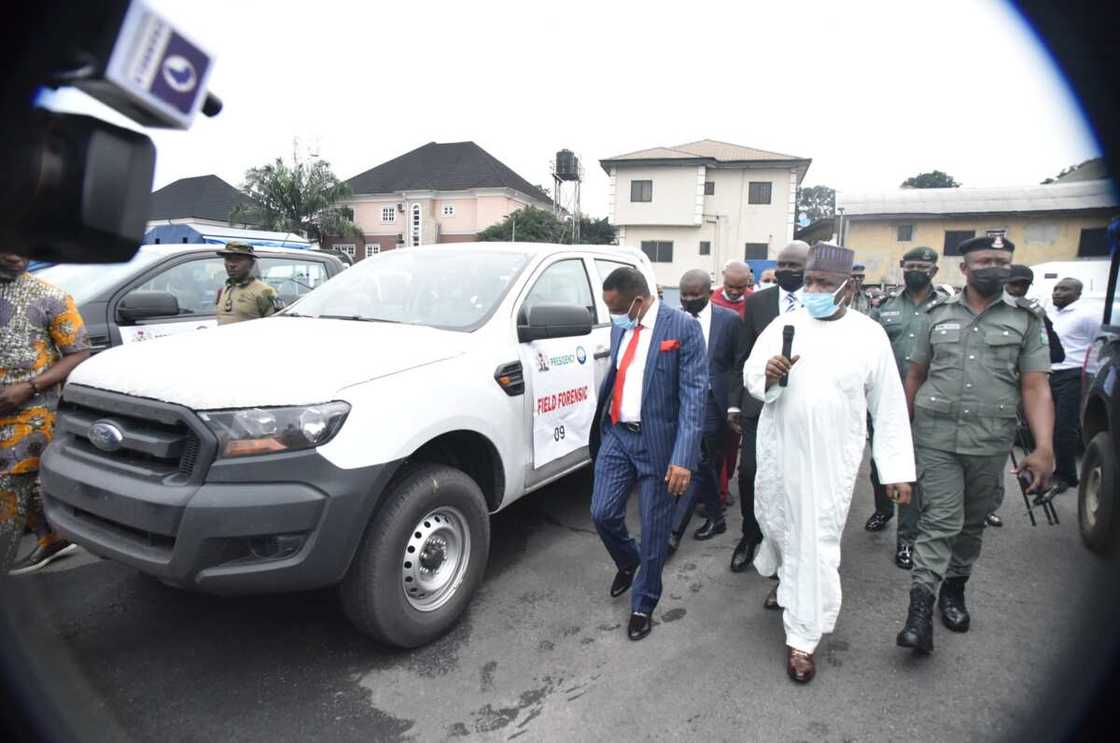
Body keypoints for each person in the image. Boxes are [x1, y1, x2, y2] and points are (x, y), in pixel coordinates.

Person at [745, 242, 914, 683]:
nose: (814, 290)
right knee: (778, 523)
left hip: (831, 460)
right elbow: (751, 375)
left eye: (825, 283)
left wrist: (895, 470)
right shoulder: (786, 324)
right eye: (810, 281)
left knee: (816, 541)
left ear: (849, 286)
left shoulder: (869, 335)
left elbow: (889, 405)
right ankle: (785, 579)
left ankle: (803, 637)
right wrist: (769, 375)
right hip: (780, 449)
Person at [897, 235, 1054, 656]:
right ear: (964, 269)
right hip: (935, 437)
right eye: (984, 260)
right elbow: (915, 374)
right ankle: (919, 610)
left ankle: (955, 587)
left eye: (1002, 261)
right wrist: (900, 431)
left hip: (990, 440)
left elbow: (1035, 385)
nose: (994, 267)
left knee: (971, 523)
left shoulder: (1026, 319)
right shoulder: (937, 314)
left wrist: (1044, 447)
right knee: (940, 519)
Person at [589, 267, 706, 642]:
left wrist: (684, 457)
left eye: (617, 308)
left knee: (655, 532)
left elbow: (693, 396)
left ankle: (644, 603)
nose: (614, 316)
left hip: (659, 444)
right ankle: (628, 561)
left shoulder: (682, 328)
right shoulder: (622, 326)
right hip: (619, 437)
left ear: (638, 301)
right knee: (602, 512)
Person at [0, 252, 91, 574]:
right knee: (29, 485)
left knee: (8, 485)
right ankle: (51, 537)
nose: (15, 255)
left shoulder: (49, 296)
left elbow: (79, 353)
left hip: (31, 411)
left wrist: (31, 387)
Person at [727, 240, 809, 573]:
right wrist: (734, 404)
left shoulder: (820, 305)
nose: (788, 271)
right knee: (748, 475)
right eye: (783, 265)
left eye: (796, 266)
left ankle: (788, 544)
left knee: (792, 480)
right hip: (758, 406)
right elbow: (742, 356)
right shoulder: (758, 301)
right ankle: (750, 534)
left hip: (800, 408)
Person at [866, 246, 948, 569]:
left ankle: (906, 538)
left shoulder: (946, 307)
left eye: (924, 266)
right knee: (878, 465)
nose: (917, 270)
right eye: (911, 264)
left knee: (908, 472)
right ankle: (883, 509)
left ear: (935, 271)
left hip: (926, 403)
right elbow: (869, 349)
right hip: (884, 401)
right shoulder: (884, 308)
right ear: (901, 267)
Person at [669, 270, 742, 551]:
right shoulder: (674, 320)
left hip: (713, 400)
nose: (688, 300)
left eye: (695, 296)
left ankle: (708, 517)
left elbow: (738, 362)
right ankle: (714, 514)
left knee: (705, 460)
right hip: (683, 399)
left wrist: (734, 402)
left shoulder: (729, 321)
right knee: (699, 460)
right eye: (684, 295)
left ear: (709, 293)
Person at [988, 264, 1065, 527]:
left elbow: (1056, 353)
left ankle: (988, 506)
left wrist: (1025, 363)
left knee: (997, 456)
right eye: (1013, 284)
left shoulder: (1034, 316)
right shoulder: (988, 310)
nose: (1017, 289)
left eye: (1023, 285)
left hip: (1014, 393)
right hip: (986, 389)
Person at [1048, 277, 1100, 493]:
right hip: (1049, 373)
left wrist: (1090, 375)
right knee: (1045, 426)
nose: (1058, 293)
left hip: (1074, 375)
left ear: (1078, 294)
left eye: (1064, 289)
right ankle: (1047, 469)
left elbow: (1098, 344)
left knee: (1064, 427)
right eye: (1056, 288)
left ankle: (1066, 476)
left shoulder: (1086, 315)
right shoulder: (1051, 314)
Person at [710, 260, 753, 507]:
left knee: (732, 440)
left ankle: (726, 479)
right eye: (730, 286)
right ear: (723, 279)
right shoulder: (711, 299)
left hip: (741, 380)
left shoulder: (754, 302)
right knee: (712, 439)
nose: (735, 292)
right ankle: (717, 489)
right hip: (715, 378)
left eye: (741, 287)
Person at [215, 242, 282, 325]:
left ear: (251, 263)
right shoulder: (225, 290)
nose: (231, 264)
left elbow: (277, 325)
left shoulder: (265, 292)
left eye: (238, 260)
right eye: (228, 259)